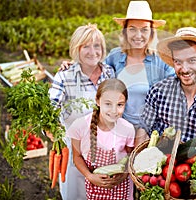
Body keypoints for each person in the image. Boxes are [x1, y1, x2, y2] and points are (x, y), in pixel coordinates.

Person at [61, 1, 196, 141]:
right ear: (125, 31)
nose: (138, 35)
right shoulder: (115, 56)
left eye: (144, 29)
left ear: (152, 31)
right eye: (132, 28)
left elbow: (184, 81)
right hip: (116, 131)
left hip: (148, 135)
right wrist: (74, 64)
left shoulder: (160, 61)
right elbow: (94, 71)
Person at [48, 24, 115, 200]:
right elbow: (50, 110)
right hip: (74, 152)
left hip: (103, 150)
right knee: (76, 194)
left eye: (96, 45)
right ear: (76, 49)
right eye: (85, 46)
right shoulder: (65, 76)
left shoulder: (109, 73)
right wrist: (51, 129)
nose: (92, 51)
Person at [66, 78, 135, 200]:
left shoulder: (127, 129)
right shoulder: (80, 126)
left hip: (121, 188)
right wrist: (90, 176)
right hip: (94, 185)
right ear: (98, 101)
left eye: (119, 105)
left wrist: (123, 175)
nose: (114, 111)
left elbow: (130, 157)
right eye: (108, 104)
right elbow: (76, 157)